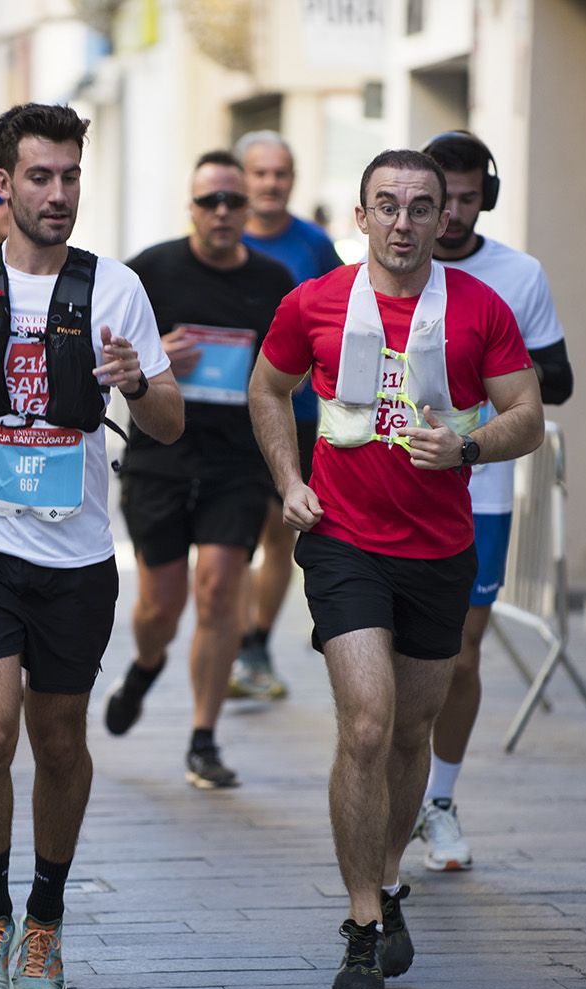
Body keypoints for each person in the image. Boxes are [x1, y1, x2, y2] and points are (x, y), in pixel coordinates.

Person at [0, 103, 182, 989]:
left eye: (70, 177)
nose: (58, 194)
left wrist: (136, 382)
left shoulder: (117, 291)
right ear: (3, 183)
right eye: (40, 177)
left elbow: (169, 424)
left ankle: (45, 919)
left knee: (59, 741)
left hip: (76, 554)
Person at [248, 149, 543, 989]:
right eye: (387, 205)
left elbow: (528, 415)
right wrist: (289, 480)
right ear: (361, 216)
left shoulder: (480, 308)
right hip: (343, 540)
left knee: (412, 733)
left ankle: (386, 879)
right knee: (369, 723)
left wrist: (469, 447)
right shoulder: (313, 302)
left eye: (420, 207)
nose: (403, 222)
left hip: (440, 550)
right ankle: (361, 923)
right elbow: (269, 390)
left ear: (444, 216)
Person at [103, 150, 295, 788]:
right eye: (210, 200)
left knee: (217, 592)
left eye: (233, 201)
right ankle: (145, 665)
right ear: (190, 206)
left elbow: (289, 369)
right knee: (161, 604)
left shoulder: (272, 281)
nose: (221, 211)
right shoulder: (149, 271)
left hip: (235, 463)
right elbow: (107, 350)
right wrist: (154, 356)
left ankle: (204, 738)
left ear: (248, 208)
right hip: (160, 457)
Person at [410, 131, 575, 874]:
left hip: (481, 489)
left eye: (469, 199)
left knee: (460, 654)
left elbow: (559, 381)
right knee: (390, 655)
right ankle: (392, 786)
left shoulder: (518, 275)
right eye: (440, 198)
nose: (451, 215)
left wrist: (492, 360)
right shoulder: (385, 266)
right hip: (394, 482)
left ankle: (439, 801)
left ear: (488, 198)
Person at [231, 130, 343, 701]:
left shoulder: (315, 246)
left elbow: (346, 314)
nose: (270, 183)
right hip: (227, 415)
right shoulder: (221, 235)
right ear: (242, 177)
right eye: (260, 173)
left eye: (280, 173)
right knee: (231, 537)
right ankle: (228, 642)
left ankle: (254, 645)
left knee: (280, 534)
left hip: (292, 412)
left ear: (293, 180)